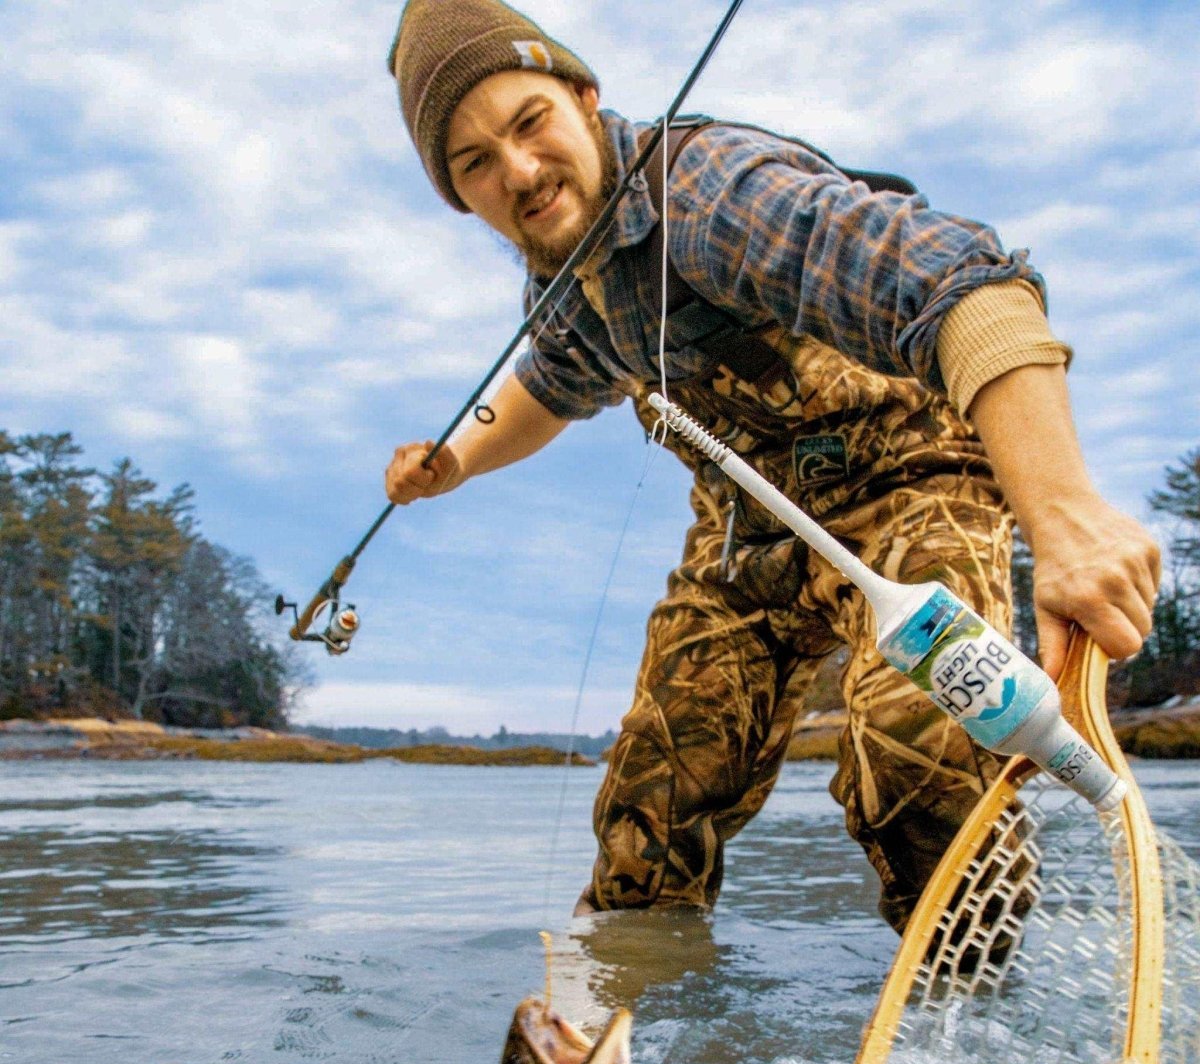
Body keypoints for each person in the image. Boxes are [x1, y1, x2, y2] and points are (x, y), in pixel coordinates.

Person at [381, 0, 1160, 932]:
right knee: (649, 812)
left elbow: (966, 285)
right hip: (747, 540)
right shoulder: (561, 285)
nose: (518, 171)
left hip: (907, 486)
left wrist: (1065, 516)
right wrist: (457, 461)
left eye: (529, 121)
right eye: (475, 162)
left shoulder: (714, 196)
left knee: (918, 753)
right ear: (456, 196)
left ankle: (969, 1003)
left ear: (584, 96)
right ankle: (635, 1004)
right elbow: (549, 386)